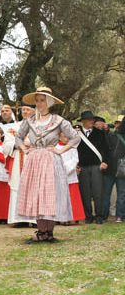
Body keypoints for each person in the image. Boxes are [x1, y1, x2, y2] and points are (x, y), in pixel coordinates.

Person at [16, 87, 80, 243]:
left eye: (42, 100)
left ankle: (48, 232)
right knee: (36, 194)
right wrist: (25, 149)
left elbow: (75, 137)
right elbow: (18, 137)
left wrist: (60, 150)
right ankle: (41, 231)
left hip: (50, 160)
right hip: (34, 160)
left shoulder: (58, 121)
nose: (39, 104)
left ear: (49, 102)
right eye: (37, 101)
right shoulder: (29, 121)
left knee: (49, 194)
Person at [77, 110, 109, 224]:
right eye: (89, 120)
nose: (92, 121)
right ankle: (88, 216)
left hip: (97, 166)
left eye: (92, 119)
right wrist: (76, 165)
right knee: (85, 193)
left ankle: (99, 216)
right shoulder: (77, 134)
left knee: (98, 192)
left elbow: (105, 149)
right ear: (83, 122)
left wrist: (104, 162)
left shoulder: (100, 133)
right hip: (83, 167)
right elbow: (74, 151)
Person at [57, 132, 85, 223]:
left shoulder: (72, 147)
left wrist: (66, 169)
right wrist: (61, 169)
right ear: (59, 137)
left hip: (70, 175)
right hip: (58, 176)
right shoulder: (55, 147)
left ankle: (73, 217)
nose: (67, 138)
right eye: (64, 136)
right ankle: (60, 218)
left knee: (72, 197)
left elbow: (75, 160)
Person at [112, 121, 125, 222]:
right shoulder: (119, 137)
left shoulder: (118, 137)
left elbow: (116, 154)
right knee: (121, 193)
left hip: (121, 168)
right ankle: (120, 215)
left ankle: (119, 216)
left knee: (121, 193)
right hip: (122, 169)